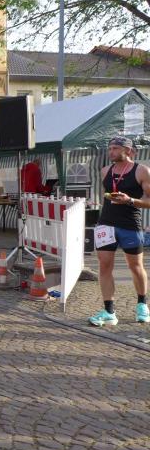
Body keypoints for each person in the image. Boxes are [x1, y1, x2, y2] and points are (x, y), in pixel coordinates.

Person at [89, 136, 150, 327]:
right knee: (104, 266)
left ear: (128, 150)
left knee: (136, 266)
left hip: (130, 224)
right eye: (110, 149)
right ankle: (109, 311)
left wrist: (130, 200)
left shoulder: (141, 170)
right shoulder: (105, 171)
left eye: (115, 148)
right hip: (106, 224)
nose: (111, 152)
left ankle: (142, 304)